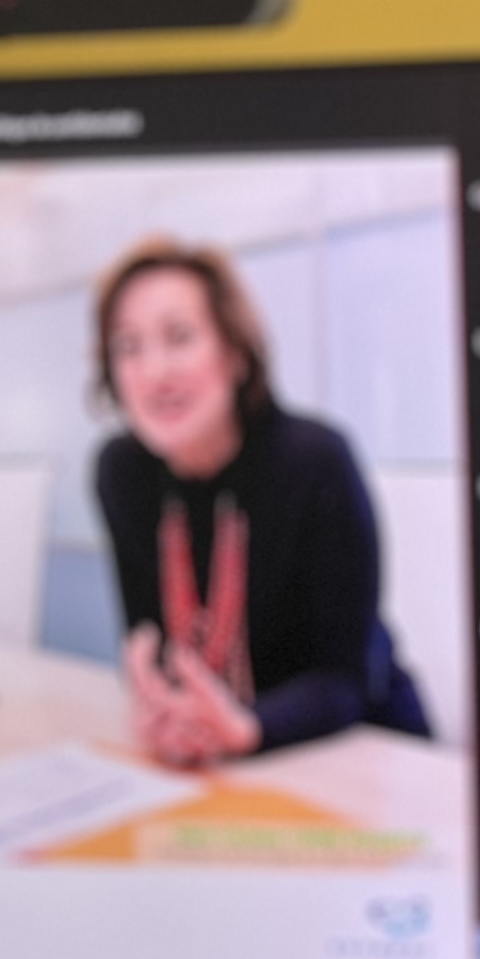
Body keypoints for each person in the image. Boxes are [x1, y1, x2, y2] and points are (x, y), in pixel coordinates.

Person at [88, 238, 428, 765]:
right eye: (128, 346)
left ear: (236, 354)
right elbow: (150, 640)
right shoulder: (122, 473)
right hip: (223, 766)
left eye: (179, 337)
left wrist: (248, 727)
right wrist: (159, 701)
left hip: (359, 748)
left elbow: (344, 679)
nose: (154, 371)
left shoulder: (314, 461)